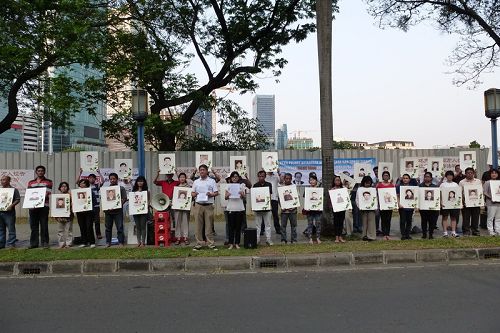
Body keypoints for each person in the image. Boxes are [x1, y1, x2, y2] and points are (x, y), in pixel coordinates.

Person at [191, 164, 219, 251]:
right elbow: (192, 193)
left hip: (208, 205)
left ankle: (210, 243)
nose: (202, 171)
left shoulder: (212, 181)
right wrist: (194, 194)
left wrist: (211, 194)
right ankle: (199, 243)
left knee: (209, 225)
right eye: (200, 170)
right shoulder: (196, 182)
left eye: (203, 170)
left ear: (207, 171)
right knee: (198, 225)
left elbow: (216, 192)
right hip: (198, 205)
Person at [27, 165, 53, 249]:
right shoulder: (31, 182)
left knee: (44, 225)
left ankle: (45, 242)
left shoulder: (49, 181)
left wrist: (38, 200)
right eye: (38, 171)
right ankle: (34, 243)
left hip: (44, 206)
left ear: (44, 172)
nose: (40, 172)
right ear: (36, 172)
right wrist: (30, 204)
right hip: (33, 207)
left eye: (42, 171)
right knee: (33, 226)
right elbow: (29, 194)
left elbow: (47, 193)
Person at [77, 169, 104, 240]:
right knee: (89, 223)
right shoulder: (85, 187)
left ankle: (98, 234)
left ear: (95, 179)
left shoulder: (96, 186)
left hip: (96, 206)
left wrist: (99, 173)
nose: (91, 179)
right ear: (88, 179)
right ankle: (89, 236)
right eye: (90, 178)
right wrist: (80, 173)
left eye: (93, 178)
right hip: (89, 207)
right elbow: (77, 182)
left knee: (97, 221)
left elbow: (103, 181)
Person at [104, 173, 128, 247]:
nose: (112, 180)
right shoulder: (106, 189)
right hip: (108, 212)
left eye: (114, 179)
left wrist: (118, 204)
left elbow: (124, 198)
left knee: (120, 227)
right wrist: (106, 207)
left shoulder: (121, 188)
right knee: (108, 228)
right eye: (111, 179)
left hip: (118, 211)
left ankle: (121, 242)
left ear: (117, 179)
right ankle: (108, 242)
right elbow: (104, 200)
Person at [225, 171, 246, 249]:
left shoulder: (241, 186)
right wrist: (228, 195)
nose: (234, 178)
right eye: (233, 177)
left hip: (239, 208)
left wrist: (242, 194)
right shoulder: (228, 186)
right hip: (231, 208)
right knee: (231, 227)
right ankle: (231, 243)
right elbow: (225, 197)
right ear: (231, 178)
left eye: (236, 177)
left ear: (238, 178)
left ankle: (237, 243)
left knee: (238, 227)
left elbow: (244, 198)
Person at [459, 167, 482, 236]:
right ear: (465, 174)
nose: (469, 174)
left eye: (471, 173)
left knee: (476, 217)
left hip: (476, 203)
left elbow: (480, 191)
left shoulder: (478, 181)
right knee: (466, 218)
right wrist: (462, 202)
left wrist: (480, 201)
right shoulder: (462, 182)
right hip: (466, 203)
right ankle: (466, 231)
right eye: (468, 173)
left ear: (473, 173)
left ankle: (475, 230)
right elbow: (460, 193)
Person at [253, 170, 273, 245]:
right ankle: (257, 239)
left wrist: (268, 205)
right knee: (258, 225)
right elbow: (254, 197)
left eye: (262, 176)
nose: (261, 178)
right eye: (259, 176)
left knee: (268, 224)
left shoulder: (269, 184)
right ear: (258, 177)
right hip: (258, 208)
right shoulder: (255, 185)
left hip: (267, 208)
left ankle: (268, 239)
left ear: (265, 177)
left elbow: (269, 195)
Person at [0, 176, 20, 249]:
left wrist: (11, 205)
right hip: (0, 212)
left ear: (9, 181)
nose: (2, 181)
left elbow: (17, 199)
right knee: (1, 229)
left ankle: (11, 244)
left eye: (4, 180)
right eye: (1, 180)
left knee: (11, 228)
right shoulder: (0, 190)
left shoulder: (14, 190)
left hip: (9, 213)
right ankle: (1, 244)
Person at [75, 179, 96, 248]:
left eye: (83, 183)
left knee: (89, 226)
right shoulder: (76, 192)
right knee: (82, 227)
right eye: (81, 183)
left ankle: (92, 242)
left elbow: (94, 202)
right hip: (80, 213)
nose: (82, 185)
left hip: (89, 212)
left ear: (87, 184)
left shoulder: (90, 192)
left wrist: (88, 207)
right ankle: (84, 242)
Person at [440, 170, 461, 238]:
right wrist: (440, 202)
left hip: (453, 204)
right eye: (448, 175)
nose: (449, 176)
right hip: (445, 204)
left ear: (453, 176)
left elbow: (458, 195)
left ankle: (453, 232)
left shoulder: (455, 184)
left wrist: (459, 203)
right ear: (446, 176)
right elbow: (440, 194)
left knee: (453, 218)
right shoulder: (443, 184)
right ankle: (445, 233)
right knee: (445, 217)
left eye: (451, 175)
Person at [397, 173, 417, 240]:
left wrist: (415, 205)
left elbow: (415, 197)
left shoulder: (412, 187)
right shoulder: (399, 186)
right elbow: (397, 196)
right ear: (402, 179)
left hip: (410, 207)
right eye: (404, 178)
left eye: (407, 178)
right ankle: (403, 235)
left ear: (409, 179)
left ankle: (408, 234)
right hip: (402, 207)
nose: (405, 179)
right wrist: (399, 204)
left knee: (409, 221)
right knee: (402, 221)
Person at [173, 173, 191, 245]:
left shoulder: (189, 187)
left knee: (185, 222)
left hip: (185, 208)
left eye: (183, 177)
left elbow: (190, 197)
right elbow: (174, 197)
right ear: (179, 178)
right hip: (177, 207)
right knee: (177, 222)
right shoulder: (176, 187)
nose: (182, 178)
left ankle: (185, 237)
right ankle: (178, 237)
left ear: (185, 178)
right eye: (181, 177)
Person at [131, 176, 149, 247]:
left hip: (143, 211)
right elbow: (132, 201)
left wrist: (146, 206)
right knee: (138, 227)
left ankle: (143, 242)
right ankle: (138, 241)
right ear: (136, 182)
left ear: (144, 182)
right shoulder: (133, 191)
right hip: (135, 211)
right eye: (139, 181)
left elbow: (148, 201)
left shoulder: (147, 190)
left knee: (143, 226)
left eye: (141, 181)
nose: (140, 182)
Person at [376, 171, 395, 240]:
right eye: (384, 175)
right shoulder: (379, 185)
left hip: (389, 205)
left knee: (388, 220)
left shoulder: (392, 185)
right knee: (383, 220)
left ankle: (388, 234)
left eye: (387, 175)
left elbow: (393, 196)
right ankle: (384, 234)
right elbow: (377, 194)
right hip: (382, 205)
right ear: (382, 177)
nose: (386, 176)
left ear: (389, 177)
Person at [420, 172, 439, 239]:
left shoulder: (435, 187)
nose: (426, 178)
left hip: (432, 207)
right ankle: (424, 234)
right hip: (423, 207)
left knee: (432, 221)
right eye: (425, 176)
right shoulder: (420, 186)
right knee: (424, 221)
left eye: (428, 176)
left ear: (431, 178)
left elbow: (437, 197)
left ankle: (431, 234)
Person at [280, 173, 298, 244]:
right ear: (284, 179)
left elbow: (296, 198)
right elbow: (280, 199)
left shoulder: (294, 187)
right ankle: (283, 240)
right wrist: (283, 207)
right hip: (284, 211)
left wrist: (293, 207)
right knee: (283, 226)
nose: (288, 180)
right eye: (286, 178)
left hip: (293, 211)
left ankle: (294, 240)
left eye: (289, 178)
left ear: (291, 179)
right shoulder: (281, 188)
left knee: (293, 226)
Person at [357, 176, 376, 241]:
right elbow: (357, 199)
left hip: (371, 208)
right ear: (363, 182)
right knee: (364, 222)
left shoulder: (373, 189)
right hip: (363, 208)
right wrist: (359, 206)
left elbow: (375, 198)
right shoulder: (360, 189)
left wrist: (375, 206)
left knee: (371, 221)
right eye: (366, 182)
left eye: (369, 183)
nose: (368, 184)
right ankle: (364, 235)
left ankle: (371, 236)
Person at [305, 175, 322, 244]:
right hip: (309, 211)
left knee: (318, 223)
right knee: (310, 224)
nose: (312, 181)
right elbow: (305, 199)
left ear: (316, 181)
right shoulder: (307, 189)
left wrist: (320, 206)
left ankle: (318, 238)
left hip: (318, 210)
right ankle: (310, 238)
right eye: (310, 180)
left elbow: (321, 199)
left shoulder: (320, 190)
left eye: (313, 180)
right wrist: (307, 207)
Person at [55, 182, 73, 248]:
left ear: (67, 188)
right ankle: (61, 244)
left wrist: (70, 210)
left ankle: (68, 243)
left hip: (69, 215)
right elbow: (55, 208)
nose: (64, 188)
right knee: (60, 230)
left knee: (69, 230)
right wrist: (56, 216)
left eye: (65, 186)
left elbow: (73, 205)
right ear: (60, 188)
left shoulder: (70, 196)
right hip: (59, 216)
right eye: (62, 186)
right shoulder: (57, 197)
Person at [483, 169, 500, 236]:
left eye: (495, 173)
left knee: (498, 218)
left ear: (497, 174)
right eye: (492, 173)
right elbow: (484, 192)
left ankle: (498, 230)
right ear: (490, 174)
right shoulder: (487, 182)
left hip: (499, 203)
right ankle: (490, 231)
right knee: (490, 217)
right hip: (491, 203)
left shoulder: (499, 182)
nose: (494, 174)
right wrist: (491, 197)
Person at [266, 170, 281, 234]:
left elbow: (280, 181)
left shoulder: (276, 175)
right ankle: (262, 229)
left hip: (274, 197)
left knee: (275, 214)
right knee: (265, 214)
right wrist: (264, 171)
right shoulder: (265, 175)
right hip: (266, 197)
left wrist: (277, 172)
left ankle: (277, 229)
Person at [331, 175, 346, 243]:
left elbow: (345, 199)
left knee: (341, 222)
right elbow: (331, 200)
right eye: (336, 180)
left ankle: (340, 236)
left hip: (342, 208)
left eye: (339, 180)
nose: (338, 181)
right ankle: (336, 237)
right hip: (335, 209)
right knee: (336, 222)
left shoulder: (343, 189)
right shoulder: (332, 190)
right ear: (334, 181)